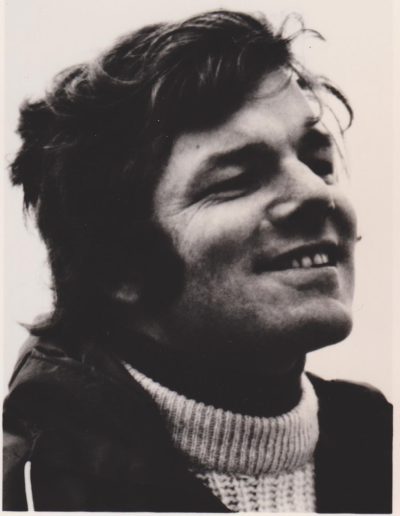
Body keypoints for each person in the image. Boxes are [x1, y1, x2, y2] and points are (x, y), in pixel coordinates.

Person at [3, 9, 392, 513]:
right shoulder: (28, 494)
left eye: (319, 163)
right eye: (238, 180)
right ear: (117, 265)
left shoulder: (381, 449)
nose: (318, 194)